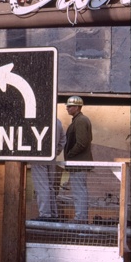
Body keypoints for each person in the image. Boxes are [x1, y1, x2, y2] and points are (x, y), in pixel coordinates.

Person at [63, 95, 93, 223]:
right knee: (79, 191)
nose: (67, 108)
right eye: (67, 106)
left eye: (70, 106)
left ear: (77, 107)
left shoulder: (80, 120)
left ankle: (81, 218)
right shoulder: (78, 120)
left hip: (78, 162)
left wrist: (70, 155)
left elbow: (82, 143)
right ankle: (81, 217)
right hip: (77, 162)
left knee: (79, 192)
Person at [30, 117, 64, 220]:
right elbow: (63, 139)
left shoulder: (36, 120)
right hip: (51, 156)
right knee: (50, 185)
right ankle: (53, 214)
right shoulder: (58, 121)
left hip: (38, 155)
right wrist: (55, 152)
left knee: (42, 186)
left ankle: (45, 214)